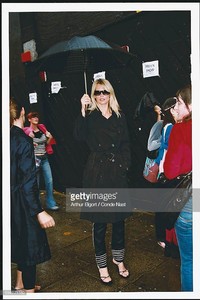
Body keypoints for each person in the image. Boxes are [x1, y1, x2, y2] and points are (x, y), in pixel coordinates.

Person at [73, 78, 132, 285]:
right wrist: (82, 108)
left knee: (118, 220)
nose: (101, 96)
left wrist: (125, 165)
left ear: (110, 94)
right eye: (97, 92)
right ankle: (102, 265)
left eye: (104, 92)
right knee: (100, 223)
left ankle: (119, 259)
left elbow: (125, 142)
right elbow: (78, 136)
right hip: (97, 172)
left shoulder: (119, 116)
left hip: (116, 171)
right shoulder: (90, 117)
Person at [10, 98, 55, 293]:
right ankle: (28, 291)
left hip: (9, 201)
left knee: (19, 242)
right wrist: (39, 211)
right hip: (22, 202)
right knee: (29, 247)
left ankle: (19, 284)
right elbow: (29, 182)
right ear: (22, 112)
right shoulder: (23, 141)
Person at [164, 84, 192, 291]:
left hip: (192, 204)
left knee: (190, 261)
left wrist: (178, 126)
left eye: (180, 103)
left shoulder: (180, 130)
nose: (177, 107)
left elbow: (171, 171)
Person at [154, 97, 180, 258]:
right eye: (176, 107)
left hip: (163, 170)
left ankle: (162, 236)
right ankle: (163, 237)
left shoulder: (167, 125)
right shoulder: (171, 127)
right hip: (167, 172)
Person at [23, 112, 59, 211]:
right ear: (29, 119)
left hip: (44, 158)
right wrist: (30, 140)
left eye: (37, 116)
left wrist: (50, 137)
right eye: (33, 117)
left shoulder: (42, 128)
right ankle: (36, 205)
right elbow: (24, 146)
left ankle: (50, 203)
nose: (36, 118)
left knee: (49, 181)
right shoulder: (27, 131)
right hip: (34, 159)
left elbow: (46, 144)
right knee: (36, 183)